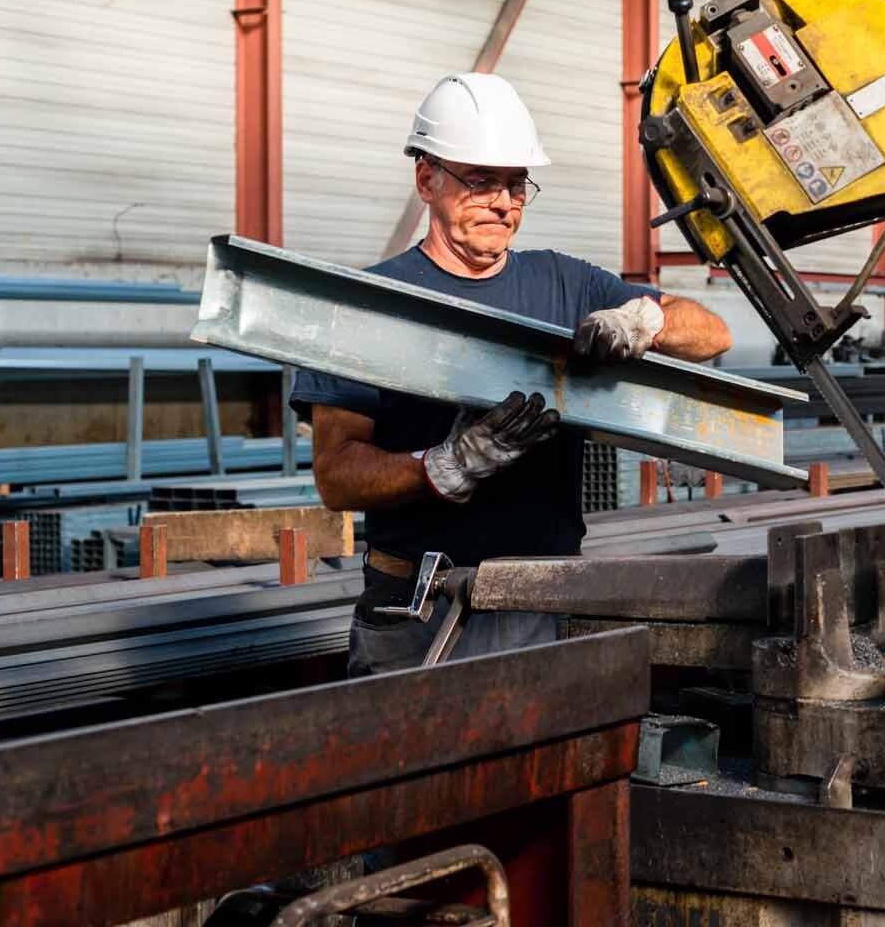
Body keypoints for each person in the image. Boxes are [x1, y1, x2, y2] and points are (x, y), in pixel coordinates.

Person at [290, 72, 732, 676]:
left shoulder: (564, 285)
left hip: (547, 598)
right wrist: (443, 466)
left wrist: (644, 321)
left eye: (517, 184)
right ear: (427, 180)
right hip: (416, 611)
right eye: (481, 182)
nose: (503, 202)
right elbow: (336, 476)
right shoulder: (364, 306)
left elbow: (713, 333)